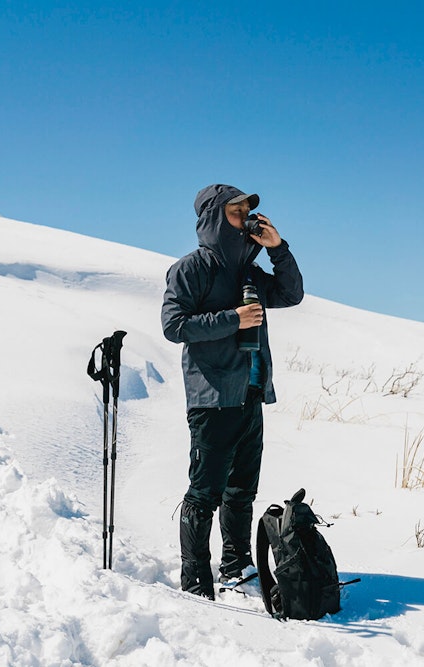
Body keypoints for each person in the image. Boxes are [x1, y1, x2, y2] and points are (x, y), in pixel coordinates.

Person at [161, 184, 304, 598]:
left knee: (242, 490)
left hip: (251, 393)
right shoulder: (191, 269)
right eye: (238, 212)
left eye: (248, 212)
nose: (246, 219)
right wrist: (232, 319)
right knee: (205, 493)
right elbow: (174, 326)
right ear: (214, 217)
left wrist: (278, 248)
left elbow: (291, 294)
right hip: (213, 396)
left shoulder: (249, 273)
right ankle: (195, 580)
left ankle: (236, 566)